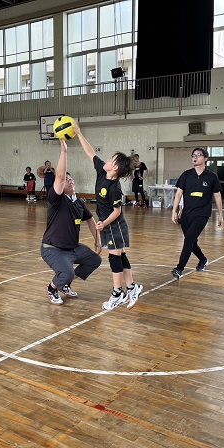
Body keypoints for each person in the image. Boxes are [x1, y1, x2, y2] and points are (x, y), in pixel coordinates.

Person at [73, 122, 143, 311]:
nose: (107, 160)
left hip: (115, 225)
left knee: (114, 257)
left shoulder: (114, 188)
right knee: (120, 255)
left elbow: (117, 211)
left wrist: (103, 223)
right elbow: (90, 152)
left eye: (111, 160)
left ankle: (117, 293)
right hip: (108, 225)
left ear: (116, 168)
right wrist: (78, 133)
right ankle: (132, 287)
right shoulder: (101, 171)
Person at [41, 140, 102, 305]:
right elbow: (60, 176)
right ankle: (53, 288)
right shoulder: (56, 199)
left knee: (95, 260)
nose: (70, 181)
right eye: (66, 179)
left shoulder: (78, 202)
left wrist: (98, 239)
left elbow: (90, 220)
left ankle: (65, 283)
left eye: (71, 179)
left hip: (72, 248)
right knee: (66, 273)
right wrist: (64, 152)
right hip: (53, 249)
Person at [170, 147, 224, 279]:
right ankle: (203, 259)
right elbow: (178, 194)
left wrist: (221, 215)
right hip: (186, 214)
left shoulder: (212, 176)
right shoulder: (186, 175)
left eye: (198, 155)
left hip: (202, 214)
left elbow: (217, 196)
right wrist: (174, 211)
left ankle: (179, 268)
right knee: (192, 242)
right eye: (193, 155)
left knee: (188, 240)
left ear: (205, 159)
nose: (195, 157)